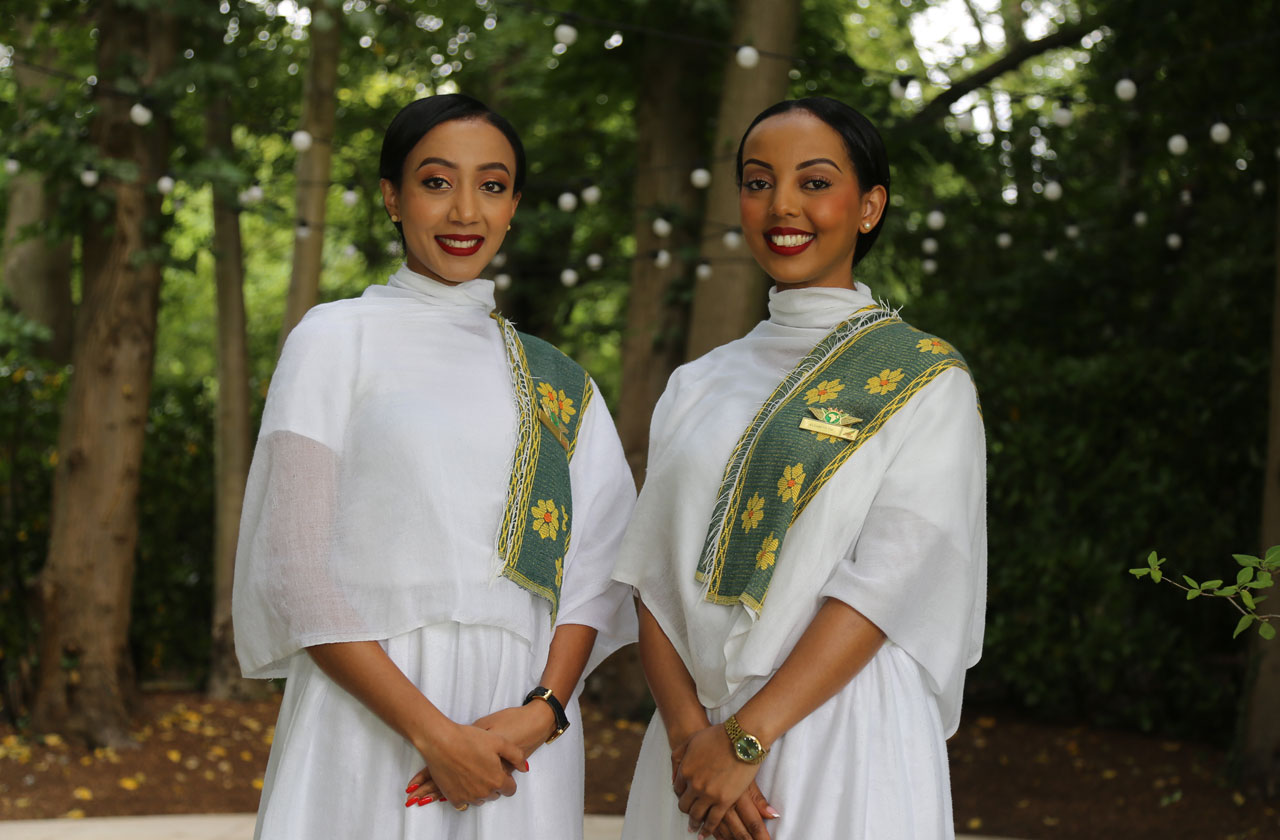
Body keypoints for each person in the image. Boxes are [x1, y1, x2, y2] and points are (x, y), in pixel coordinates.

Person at [232, 94, 637, 840]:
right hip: (368, 715)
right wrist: (433, 735)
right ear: (392, 196)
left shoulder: (560, 382)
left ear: (514, 205)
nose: (464, 212)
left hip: (518, 735)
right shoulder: (334, 339)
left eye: (491, 186)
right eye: (435, 181)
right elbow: (294, 567)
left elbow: (598, 574)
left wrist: (542, 712)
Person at [612, 96, 986, 840]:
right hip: (695, 756)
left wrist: (745, 739)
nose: (782, 204)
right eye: (758, 182)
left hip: (842, 729)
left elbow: (889, 583)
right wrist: (693, 740)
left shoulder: (925, 380)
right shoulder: (699, 382)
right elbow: (652, 576)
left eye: (814, 182)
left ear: (870, 205)